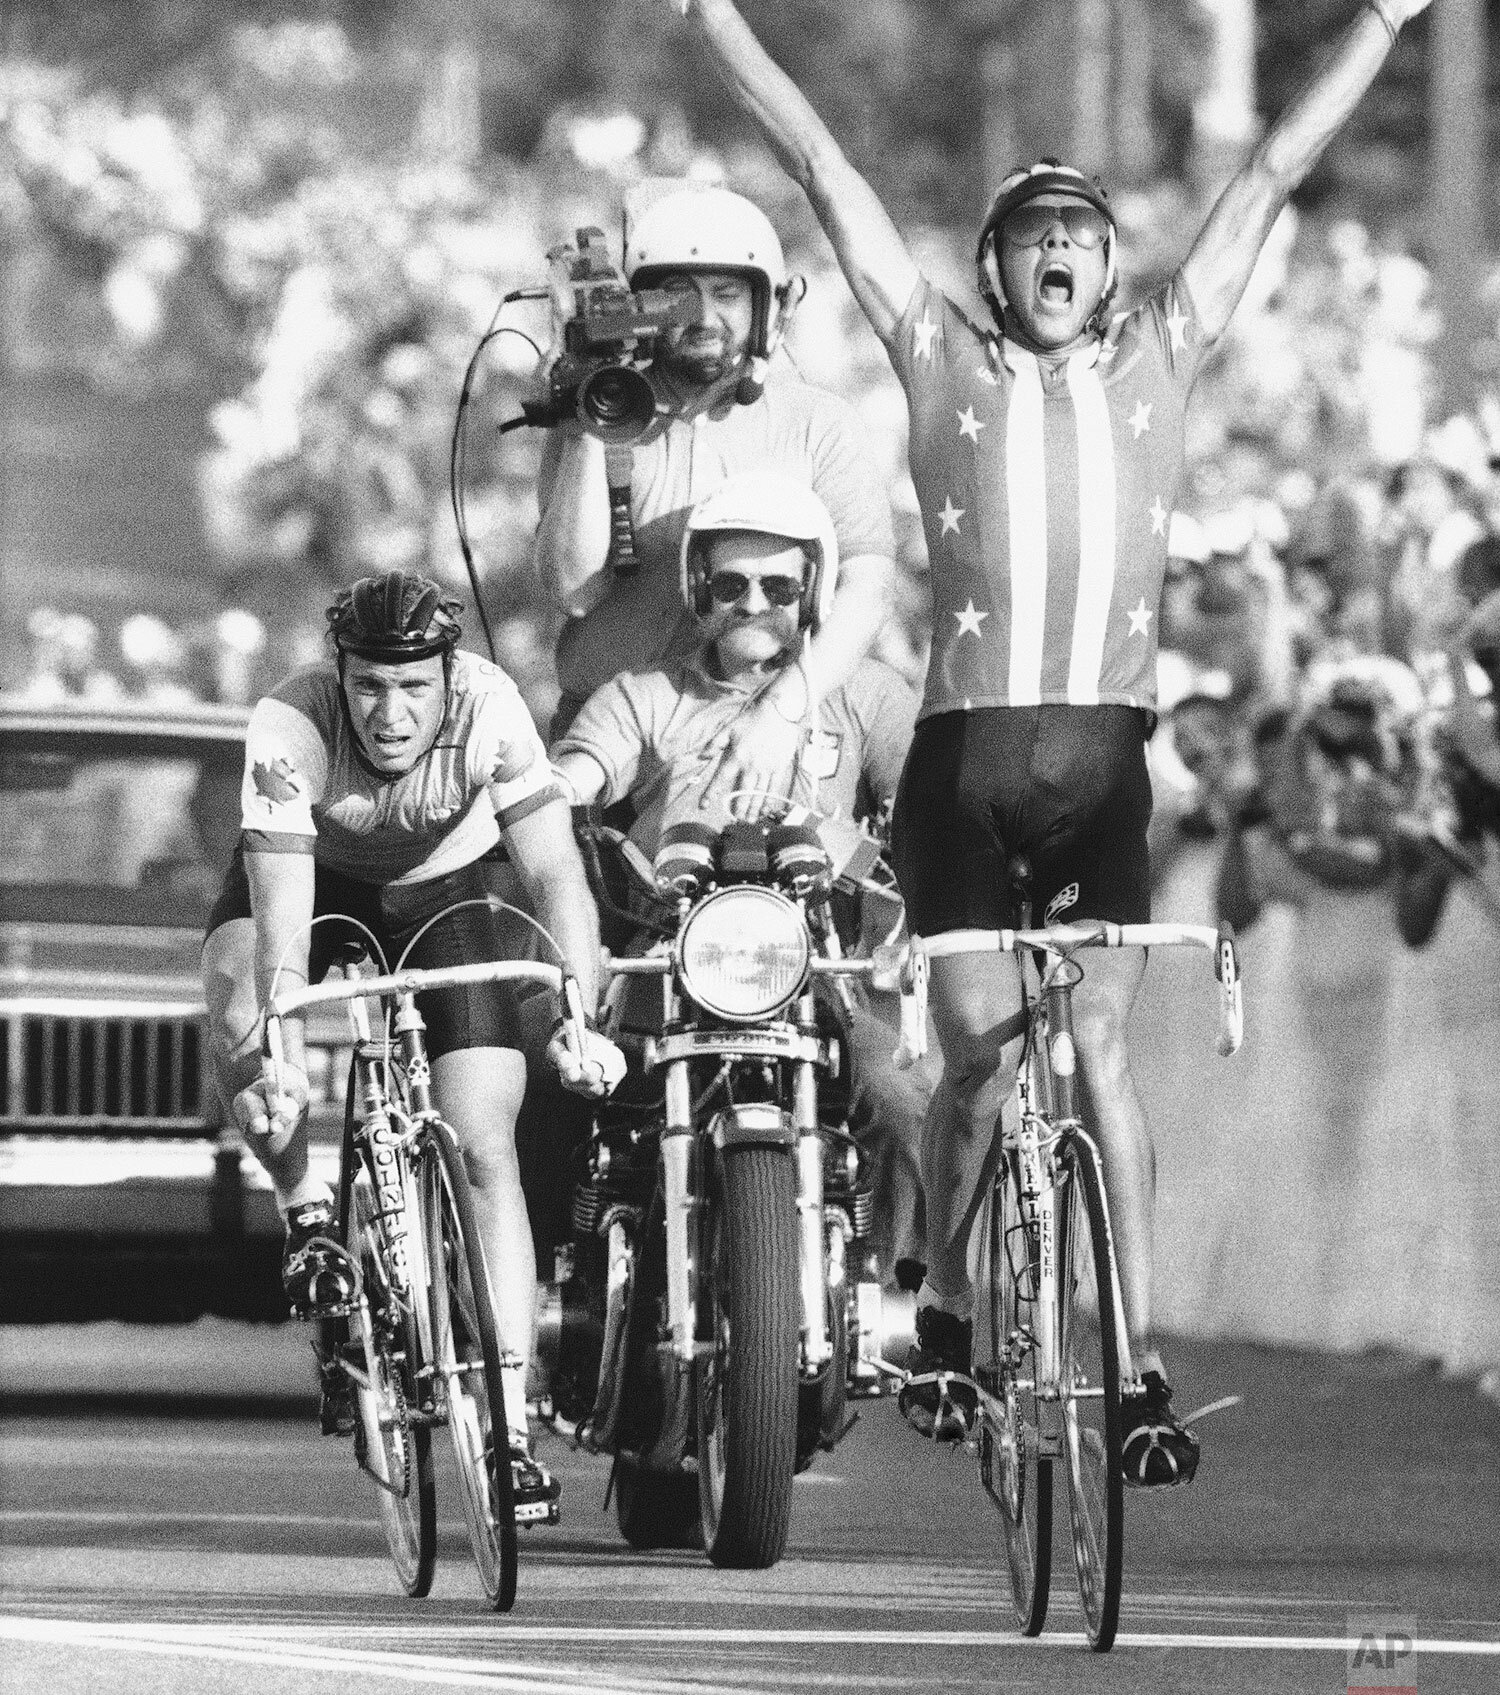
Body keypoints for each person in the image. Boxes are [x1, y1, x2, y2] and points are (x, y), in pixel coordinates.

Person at [670, 0, 1435, 1478]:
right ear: (996, 269)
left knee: (1092, 1055)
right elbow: (825, 166)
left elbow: (1271, 170)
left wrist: (1385, 23)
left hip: (1100, 763)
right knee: (971, 1064)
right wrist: (717, 24)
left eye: (1080, 233)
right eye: (1031, 238)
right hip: (963, 764)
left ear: (1110, 261)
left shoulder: (1164, 350)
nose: (1059, 253)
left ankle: (1137, 1366)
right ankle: (950, 1312)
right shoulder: (937, 354)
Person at [200, 568, 624, 1506]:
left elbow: (555, 871)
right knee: (240, 1011)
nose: (390, 712)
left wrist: (577, 1017)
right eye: (370, 686)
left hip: (445, 887)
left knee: (484, 1142)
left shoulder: (494, 708)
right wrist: (280, 1041)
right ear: (338, 674)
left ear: (449, 674)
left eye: (414, 687)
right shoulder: (288, 725)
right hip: (313, 881)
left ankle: (510, 1428)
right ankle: (307, 1206)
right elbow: (282, 923)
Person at [551, 471, 927, 1276]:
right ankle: (555, 1299)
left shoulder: (865, 694)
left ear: (816, 589)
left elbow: (928, 811)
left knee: (900, 1097)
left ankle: (907, 1290)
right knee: (553, 1084)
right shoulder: (643, 696)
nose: (753, 602)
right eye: (729, 582)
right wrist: (547, 790)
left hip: (821, 973)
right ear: (696, 587)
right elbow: (580, 772)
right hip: (664, 968)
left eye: (778, 584)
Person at [532, 177, 899, 803]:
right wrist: (591, 423)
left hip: (767, 741)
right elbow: (573, 587)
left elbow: (867, 581)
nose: (704, 317)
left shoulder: (817, 424)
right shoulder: (604, 420)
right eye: (677, 294)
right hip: (610, 745)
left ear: (767, 308)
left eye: (728, 294)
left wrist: (784, 712)